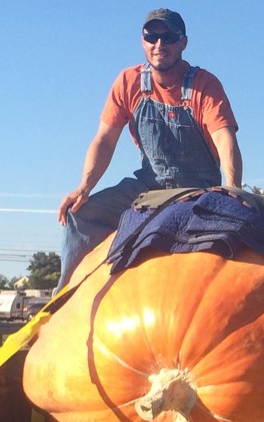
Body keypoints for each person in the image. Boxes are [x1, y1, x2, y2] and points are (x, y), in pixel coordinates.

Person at [57, 8, 242, 288]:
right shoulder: (128, 82)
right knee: (80, 214)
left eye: (169, 37)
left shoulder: (204, 85)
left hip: (198, 190)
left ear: (183, 42)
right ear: (142, 41)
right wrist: (84, 187)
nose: (159, 44)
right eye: (152, 36)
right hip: (148, 185)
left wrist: (232, 189)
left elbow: (225, 138)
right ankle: (66, 297)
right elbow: (104, 140)